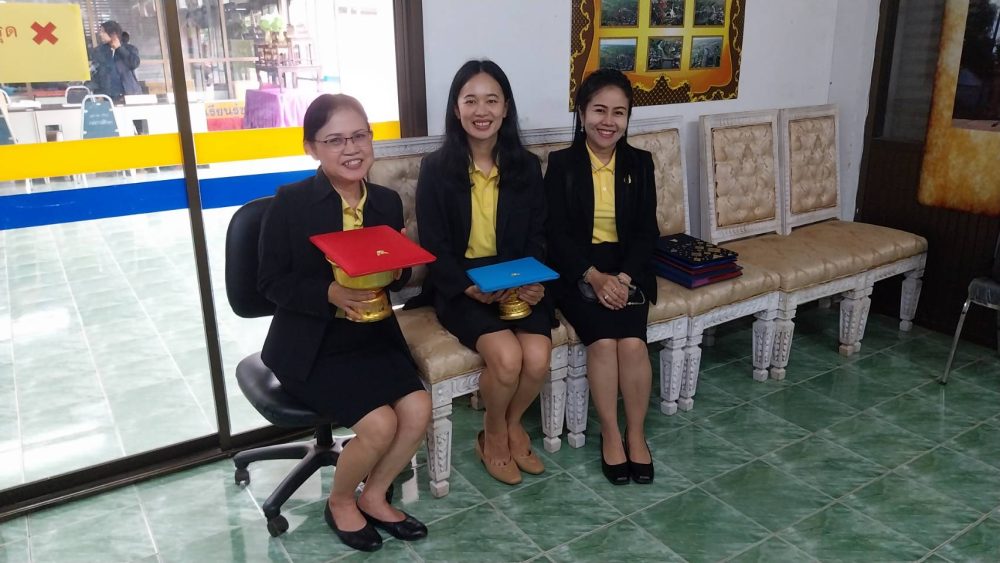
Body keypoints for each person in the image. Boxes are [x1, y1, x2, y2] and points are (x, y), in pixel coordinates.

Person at [258, 94, 431, 552]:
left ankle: (374, 495)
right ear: (311, 148)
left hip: (371, 334)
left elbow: (393, 278)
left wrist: (400, 270)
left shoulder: (387, 203)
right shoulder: (291, 203)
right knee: (379, 425)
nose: (351, 148)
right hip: (311, 343)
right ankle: (340, 502)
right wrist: (329, 293)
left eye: (359, 136)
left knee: (418, 409)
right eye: (335, 140)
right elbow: (269, 282)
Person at [411, 60, 551, 486]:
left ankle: (511, 423)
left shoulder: (526, 166)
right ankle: (493, 433)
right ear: (456, 109)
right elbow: (433, 247)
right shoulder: (436, 169)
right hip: (462, 283)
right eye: (470, 100)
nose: (481, 110)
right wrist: (466, 287)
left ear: (506, 108)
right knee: (507, 359)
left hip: (516, 278)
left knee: (537, 358)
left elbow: (538, 235)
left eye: (492, 100)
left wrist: (532, 280)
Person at [544, 69, 658, 485]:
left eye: (618, 112)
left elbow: (647, 231)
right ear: (582, 113)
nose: (608, 121)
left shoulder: (640, 164)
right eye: (599, 110)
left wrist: (624, 277)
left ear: (627, 117)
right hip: (578, 269)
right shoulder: (562, 164)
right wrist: (593, 276)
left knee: (632, 343)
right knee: (605, 343)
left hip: (628, 267)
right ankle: (610, 432)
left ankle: (635, 433)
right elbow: (554, 234)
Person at [91, 21, 141, 102]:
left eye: (103, 32)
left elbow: (134, 63)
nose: (100, 34)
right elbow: (96, 73)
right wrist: (98, 92)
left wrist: (120, 49)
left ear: (113, 34)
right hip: (108, 95)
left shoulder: (130, 49)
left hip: (128, 93)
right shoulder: (99, 51)